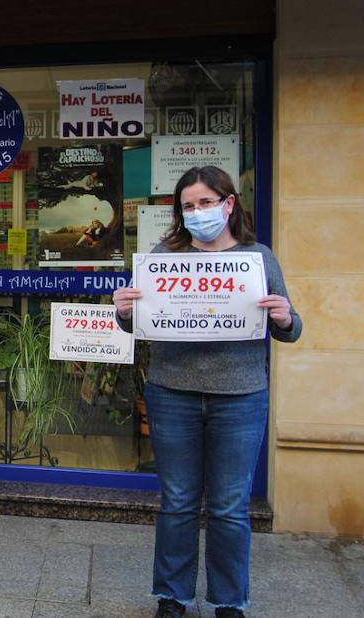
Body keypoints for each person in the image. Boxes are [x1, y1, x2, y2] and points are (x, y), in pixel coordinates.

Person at [113, 166, 301, 618]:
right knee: (177, 501)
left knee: (230, 507)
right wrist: (122, 312)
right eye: (189, 206)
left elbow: (291, 330)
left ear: (229, 204)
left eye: (206, 203)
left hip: (240, 396)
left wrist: (284, 317)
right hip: (172, 392)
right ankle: (172, 597)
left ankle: (228, 601)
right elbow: (138, 324)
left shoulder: (257, 258)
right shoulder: (163, 257)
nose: (198, 212)